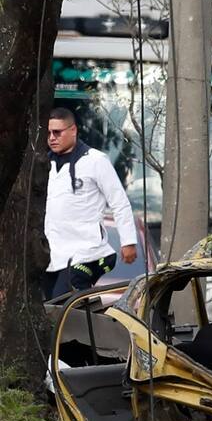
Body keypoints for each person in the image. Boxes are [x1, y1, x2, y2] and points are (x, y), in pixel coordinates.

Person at [43, 107, 138, 300]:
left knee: (65, 299)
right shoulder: (45, 164)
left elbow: (119, 202)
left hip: (87, 251)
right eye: (49, 133)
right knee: (49, 306)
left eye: (57, 132)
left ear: (73, 130)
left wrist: (128, 242)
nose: (52, 137)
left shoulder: (96, 161)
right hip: (52, 253)